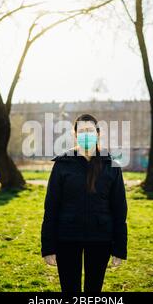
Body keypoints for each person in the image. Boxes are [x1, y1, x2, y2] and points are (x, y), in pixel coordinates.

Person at [41, 113, 128, 292]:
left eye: (89, 130)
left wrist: (119, 248)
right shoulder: (62, 164)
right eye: (81, 131)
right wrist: (48, 247)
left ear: (97, 133)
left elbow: (120, 209)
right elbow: (51, 207)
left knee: (93, 291)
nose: (85, 135)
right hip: (67, 238)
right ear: (75, 135)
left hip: (100, 238)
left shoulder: (111, 164)